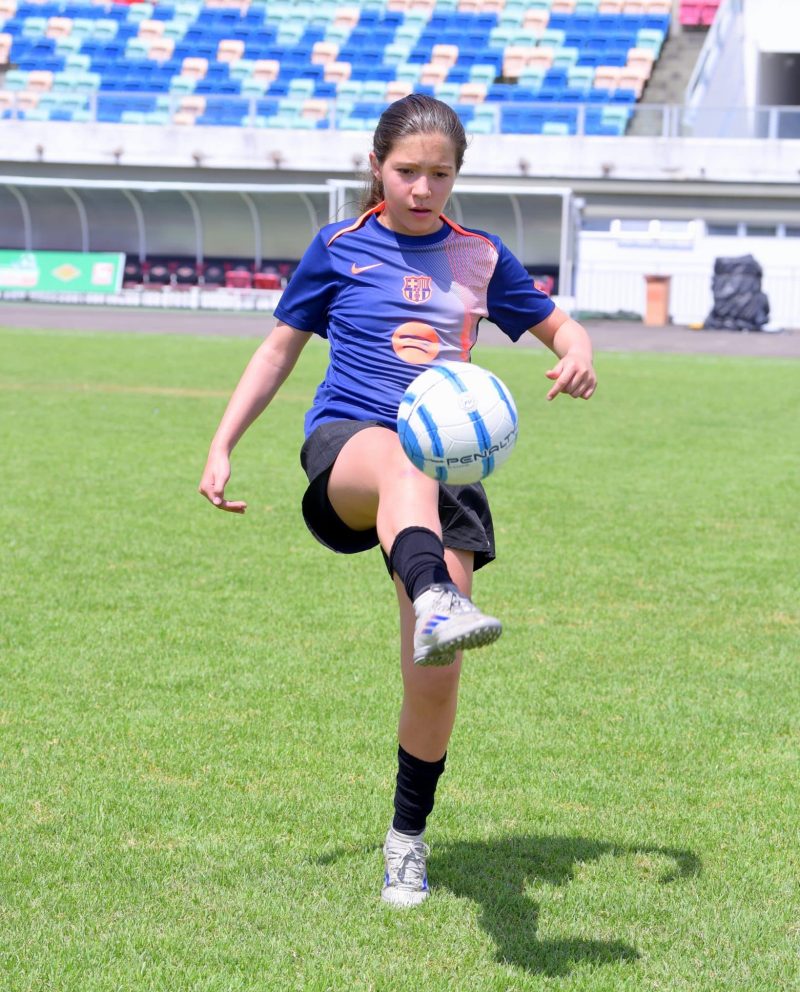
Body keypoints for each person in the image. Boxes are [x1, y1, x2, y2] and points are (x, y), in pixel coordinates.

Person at [199, 94, 597, 908]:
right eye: (407, 171)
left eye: (440, 174)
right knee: (400, 454)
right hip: (350, 447)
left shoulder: (480, 258)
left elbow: (562, 328)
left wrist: (580, 353)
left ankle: (406, 839)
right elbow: (279, 350)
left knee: (435, 672)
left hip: (448, 473)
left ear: (457, 174)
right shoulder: (338, 247)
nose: (422, 188)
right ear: (376, 167)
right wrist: (222, 442)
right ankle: (435, 595)